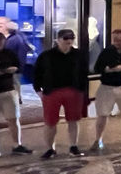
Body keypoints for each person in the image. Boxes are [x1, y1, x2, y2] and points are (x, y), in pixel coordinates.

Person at [34, 29, 89, 158]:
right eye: (65, 38)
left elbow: (83, 72)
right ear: (58, 40)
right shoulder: (46, 56)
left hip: (74, 91)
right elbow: (37, 73)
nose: (69, 41)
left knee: (73, 120)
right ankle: (50, 148)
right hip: (52, 91)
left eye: (71, 38)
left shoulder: (79, 55)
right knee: (50, 122)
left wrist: (82, 91)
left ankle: (73, 146)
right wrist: (38, 90)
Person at [91, 29, 121, 152]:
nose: (117, 42)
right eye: (115, 40)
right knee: (102, 114)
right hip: (107, 87)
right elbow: (97, 68)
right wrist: (109, 70)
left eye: (120, 40)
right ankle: (98, 139)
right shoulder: (107, 52)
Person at [1, 17, 34, 88]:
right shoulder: (20, 37)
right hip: (17, 67)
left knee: (13, 86)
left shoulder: (13, 40)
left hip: (13, 68)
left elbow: (6, 53)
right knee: (16, 86)